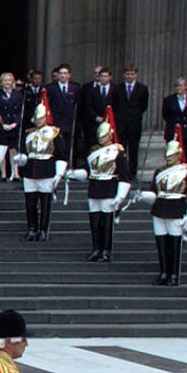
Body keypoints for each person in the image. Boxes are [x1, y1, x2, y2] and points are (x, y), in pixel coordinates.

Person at [143, 135, 187, 287]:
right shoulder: (159, 172)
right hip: (159, 208)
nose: (168, 158)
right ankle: (164, 272)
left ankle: (173, 274)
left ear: (179, 155)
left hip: (176, 208)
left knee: (174, 242)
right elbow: (154, 192)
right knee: (161, 242)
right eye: (167, 155)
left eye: (172, 155)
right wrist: (145, 196)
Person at [81, 108, 130, 263]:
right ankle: (96, 248)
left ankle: (106, 250)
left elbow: (124, 176)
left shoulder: (117, 151)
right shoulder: (93, 150)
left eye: (104, 136)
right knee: (95, 220)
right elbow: (89, 171)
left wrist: (120, 196)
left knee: (107, 221)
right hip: (94, 187)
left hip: (109, 187)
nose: (101, 138)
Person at [18, 98, 65, 242]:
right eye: (37, 118)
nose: (38, 120)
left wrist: (59, 174)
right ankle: (32, 228)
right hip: (30, 169)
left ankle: (43, 230)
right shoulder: (28, 133)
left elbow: (61, 154)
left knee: (45, 203)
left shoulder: (54, 133)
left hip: (46, 169)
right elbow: (23, 151)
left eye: (41, 118)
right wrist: (20, 159)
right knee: (30, 202)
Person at [75, 66, 117, 166]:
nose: (103, 78)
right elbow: (87, 106)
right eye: (101, 76)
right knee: (92, 146)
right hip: (94, 124)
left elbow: (119, 107)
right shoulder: (92, 90)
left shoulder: (116, 90)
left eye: (105, 76)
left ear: (110, 77)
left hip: (110, 125)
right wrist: (96, 117)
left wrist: (110, 118)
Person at [0, 71, 26, 181]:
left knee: (13, 150)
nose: (7, 82)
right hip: (1, 126)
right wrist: (2, 124)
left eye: (9, 80)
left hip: (13, 126)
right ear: (1, 82)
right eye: (5, 80)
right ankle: (4, 174)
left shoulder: (17, 94)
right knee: (2, 149)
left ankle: (15, 173)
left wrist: (15, 123)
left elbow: (20, 111)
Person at [117, 65, 150, 180]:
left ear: (135, 75)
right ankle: (121, 171)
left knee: (133, 148)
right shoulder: (118, 88)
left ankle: (132, 172)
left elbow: (143, 105)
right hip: (121, 123)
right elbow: (115, 104)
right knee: (121, 149)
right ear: (124, 75)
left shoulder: (142, 89)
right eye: (127, 74)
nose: (130, 76)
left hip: (134, 123)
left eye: (132, 74)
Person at [42, 65, 77, 165]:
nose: (62, 75)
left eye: (65, 73)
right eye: (60, 73)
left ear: (69, 75)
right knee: (56, 147)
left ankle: (67, 166)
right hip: (55, 122)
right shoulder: (50, 88)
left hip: (69, 122)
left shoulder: (75, 87)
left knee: (67, 146)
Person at [162, 76, 187, 166]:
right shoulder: (168, 100)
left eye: (181, 86)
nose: (179, 88)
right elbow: (165, 115)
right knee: (172, 155)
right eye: (177, 86)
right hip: (173, 132)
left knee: (186, 155)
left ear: (186, 87)